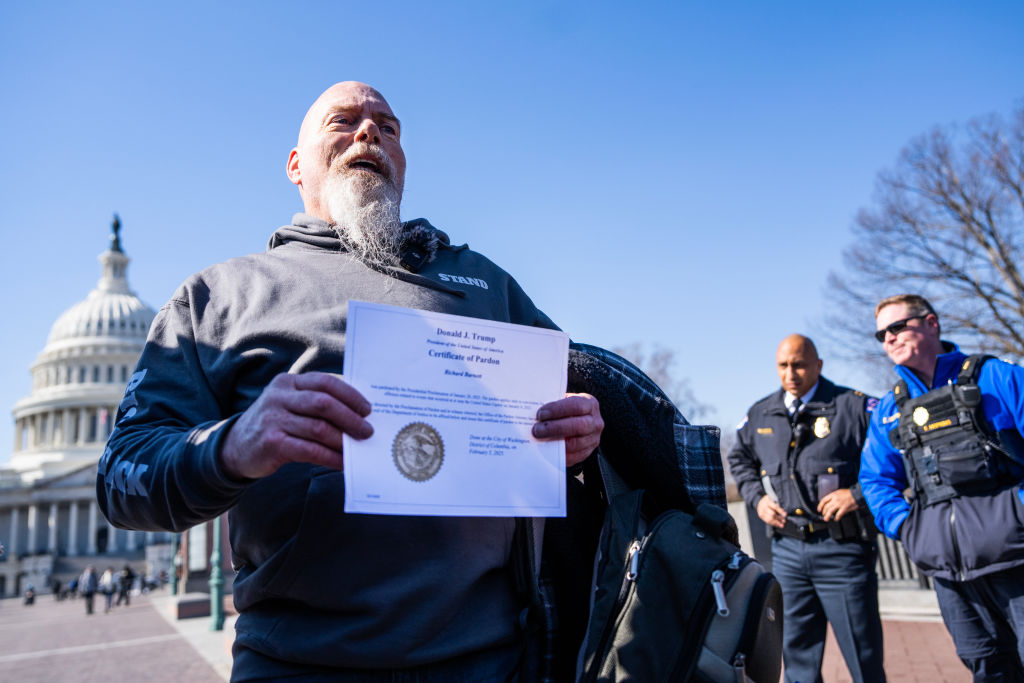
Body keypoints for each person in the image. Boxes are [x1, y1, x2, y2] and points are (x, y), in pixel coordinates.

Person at [96, 82, 605, 680]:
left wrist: (584, 428)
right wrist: (233, 446)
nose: (369, 132)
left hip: (500, 662)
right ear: (295, 165)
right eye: (343, 122)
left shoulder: (486, 283)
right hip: (301, 665)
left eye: (388, 127)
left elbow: (580, 402)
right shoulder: (218, 299)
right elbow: (119, 478)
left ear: (403, 163)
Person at [860, 294, 1024, 681]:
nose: (889, 339)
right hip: (951, 577)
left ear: (931, 323)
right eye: (881, 333)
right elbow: (875, 479)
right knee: (986, 669)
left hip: (1017, 561)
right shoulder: (889, 410)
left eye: (898, 327)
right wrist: (908, 528)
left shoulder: (997, 377)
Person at [727, 334, 885, 683]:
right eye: (783, 365)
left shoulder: (854, 407)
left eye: (799, 364)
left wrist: (856, 495)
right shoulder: (760, 413)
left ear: (818, 365)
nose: (791, 373)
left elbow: (892, 459)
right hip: (787, 552)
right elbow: (739, 459)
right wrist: (757, 498)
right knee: (795, 658)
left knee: (863, 656)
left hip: (842, 550)